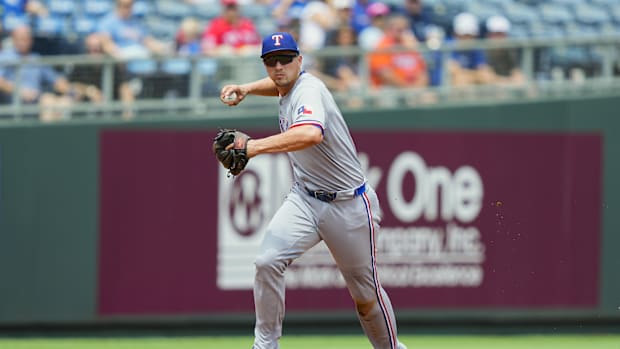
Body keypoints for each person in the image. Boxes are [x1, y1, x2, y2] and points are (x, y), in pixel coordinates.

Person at [219, 31, 408, 349]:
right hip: (305, 198)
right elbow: (279, 84)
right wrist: (247, 89)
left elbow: (309, 134)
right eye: (271, 61)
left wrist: (252, 147)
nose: (279, 67)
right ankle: (265, 345)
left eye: (286, 59)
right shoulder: (286, 85)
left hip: (348, 205)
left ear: (300, 61)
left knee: (365, 297)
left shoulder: (310, 90)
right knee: (267, 261)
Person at [0, 24, 74, 121]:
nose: (23, 42)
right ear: (13, 39)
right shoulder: (5, 57)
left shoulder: (36, 58)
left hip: (37, 102)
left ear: (31, 40)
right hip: (14, 103)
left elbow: (55, 79)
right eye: (20, 39)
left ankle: (57, 134)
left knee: (61, 101)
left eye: (26, 39)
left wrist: (71, 90)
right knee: (48, 102)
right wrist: (20, 91)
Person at [368, 14, 428, 88]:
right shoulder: (382, 47)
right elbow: (385, 74)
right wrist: (408, 90)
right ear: (388, 29)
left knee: (429, 97)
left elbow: (422, 73)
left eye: (405, 29)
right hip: (389, 90)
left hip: (414, 90)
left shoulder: (410, 45)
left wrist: (417, 89)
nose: (403, 32)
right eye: (399, 29)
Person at [447, 12, 496, 86]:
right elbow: (456, 76)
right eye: (464, 35)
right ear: (455, 34)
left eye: (470, 35)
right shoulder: (447, 47)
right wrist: (477, 76)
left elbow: (486, 74)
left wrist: (468, 76)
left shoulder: (476, 48)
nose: (467, 39)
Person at [484, 15, 525, 86]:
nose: (499, 38)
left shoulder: (510, 50)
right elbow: (487, 77)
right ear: (489, 35)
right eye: (496, 34)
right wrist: (507, 81)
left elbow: (517, 73)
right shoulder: (483, 51)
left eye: (501, 34)